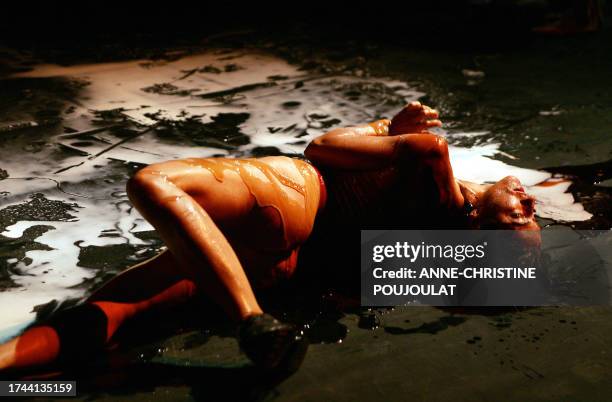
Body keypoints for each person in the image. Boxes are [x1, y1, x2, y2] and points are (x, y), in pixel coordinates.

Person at [0, 102, 539, 372]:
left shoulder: (431, 157)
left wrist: (387, 129)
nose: (530, 202)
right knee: (120, 314)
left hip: (296, 197)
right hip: (290, 269)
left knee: (153, 182)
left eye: (520, 216)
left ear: (476, 227)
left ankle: (249, 320)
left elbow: (323, 149)